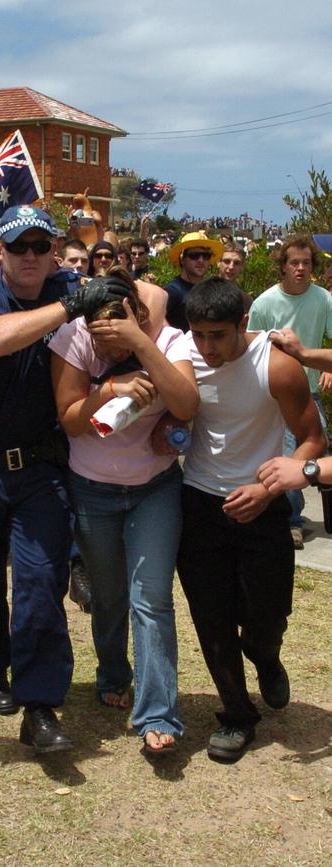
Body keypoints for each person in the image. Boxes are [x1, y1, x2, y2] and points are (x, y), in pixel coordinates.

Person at [0, 205, 119, 754]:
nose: (30, 257)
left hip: (40, 469)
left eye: (41, 247)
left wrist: (106, 287)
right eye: (19, 247)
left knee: (41, 582)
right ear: (0, 249)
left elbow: (141, 305)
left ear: (52, 251)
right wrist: (70, 304)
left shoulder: (69, 284)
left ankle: (40, 704)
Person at [177, 278, 326, 762]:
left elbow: (311, 438)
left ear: (243, 324)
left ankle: (265, 655)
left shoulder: (275, 364)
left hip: (264, 507)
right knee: (211, 620)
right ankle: (238, 716)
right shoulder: (183, 357)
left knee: (267, 617)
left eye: (218, 335)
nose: (207, 347)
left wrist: (269, 487)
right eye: (198, 335)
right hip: (200, 503)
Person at [50, 271, 199, 755]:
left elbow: (187, 403)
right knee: (109, 596)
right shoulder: (74, 339)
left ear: (139, 316)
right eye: (102, 336)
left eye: (121, 331)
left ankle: (158, 713)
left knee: (151, 598)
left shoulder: (171, 340)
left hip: (154, 489)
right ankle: (113, 671)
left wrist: (142, 344)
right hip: (92, 489)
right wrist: (110, 387)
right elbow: (71, 422)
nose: (111, 344)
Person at [248, 234, 332, 548]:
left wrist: (326, 367)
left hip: (309, 391)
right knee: (288, 455)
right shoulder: (265, 303)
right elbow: (252, 347)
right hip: (277, 395)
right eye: (294, 262)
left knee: (317, 445)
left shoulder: (323, 299)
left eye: (306, 263)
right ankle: (291, 521)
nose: (300, 268)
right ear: (282, 266)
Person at [164, 232, 224, 331]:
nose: (201, 260)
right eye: (194, 255)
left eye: (206, 256)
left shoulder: (210, 289)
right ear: (182, 259)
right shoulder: (172, 291)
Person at [217, 244, 252, 312]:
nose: (231, 267)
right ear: (218, 263)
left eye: (236, 263)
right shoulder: (203, 292)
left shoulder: (245, 301)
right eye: (227, 261)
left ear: (242, 267)